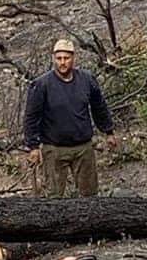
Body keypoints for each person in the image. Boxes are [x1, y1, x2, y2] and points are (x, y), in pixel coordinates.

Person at [24, 39, 118, 197]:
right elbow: (31, 117)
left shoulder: (87, 80)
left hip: (83, 147)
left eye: (66, 58)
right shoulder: (41, 85)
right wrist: (33, 146)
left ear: (74, 58)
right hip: (54, 148)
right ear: (53, 58)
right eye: (59, 58)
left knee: (90, 195)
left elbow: (99, 107)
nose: (62, 62)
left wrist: (108, 131)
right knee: (53, 197)